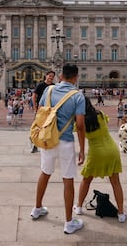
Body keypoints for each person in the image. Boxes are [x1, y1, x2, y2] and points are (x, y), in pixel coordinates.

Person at [31, 63, 86, 234]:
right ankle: (69, 222)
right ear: (76, 77)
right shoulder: (78, 96)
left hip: (48, 138)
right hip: (65, 141)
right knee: (67, 179)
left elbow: (40, 111)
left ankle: (37, 208)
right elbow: (80, 125)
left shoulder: (48, 90)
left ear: (61, 75)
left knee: (45, 172)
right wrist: (82, 149)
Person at [73, 97, 126, 222]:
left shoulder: (80, 122)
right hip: (112, 149)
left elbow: (78, 133)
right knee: (116, 182)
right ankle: (121, 214)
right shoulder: (101, 114)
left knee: (86, 180)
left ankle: (79, 206)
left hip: (96, 152)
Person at [31, 70, 55, 153]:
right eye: (50, 76)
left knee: (49, 127)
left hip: (50, 110)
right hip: (41, 110)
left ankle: (47, 143)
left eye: (52, 76)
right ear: (46, 76)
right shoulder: (40, 85)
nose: (51, 77)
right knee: (38, 127)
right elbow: (34, 96)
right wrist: (35, 108)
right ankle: (35, 144)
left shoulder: (54, 86)